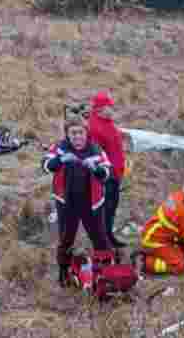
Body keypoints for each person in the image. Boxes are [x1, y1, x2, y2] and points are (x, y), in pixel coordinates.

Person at [41, 118, 114, 288]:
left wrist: (96, 169)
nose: (77, 137)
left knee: (100, 240)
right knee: (66, 239)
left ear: (86, 133)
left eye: (80, 132)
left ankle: (102, 277)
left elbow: (107, 173)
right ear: (67, 134)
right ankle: (63, 273)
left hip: (92, 204)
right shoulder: (60, 148)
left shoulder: (96, 149)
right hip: (67, 204)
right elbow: (45, 165)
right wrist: (60, 160)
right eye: (73, 133)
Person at [87, 91, 128, 248]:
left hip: (115, 173)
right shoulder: (95, 128)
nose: (112, 109)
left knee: (111, 207)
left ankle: (108, 235)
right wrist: (106, 175)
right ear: (99, 109)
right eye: (109, 107)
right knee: (106, 208)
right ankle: (103, 239)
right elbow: (97, 155)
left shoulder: (105, 122)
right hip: (107, 176)